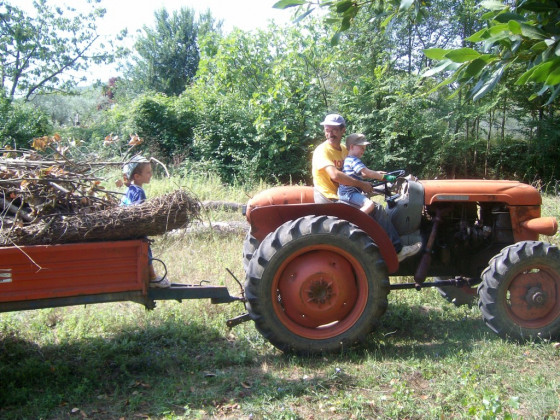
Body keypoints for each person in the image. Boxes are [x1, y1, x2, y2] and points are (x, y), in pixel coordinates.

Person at [311, 115, 421, 262]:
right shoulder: (322, 151)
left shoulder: (344, 149)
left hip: (343, 193)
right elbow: (335, 175)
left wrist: (379, 175)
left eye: (334, 130)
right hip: (330, 197)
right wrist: (362, 184)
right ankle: (396, 250)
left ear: (343, 130)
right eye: (327, 129)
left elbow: (355, 171)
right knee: (377, 209)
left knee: (375, 198)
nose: (330, 133)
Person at [121, 155, 171, 288]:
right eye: (148, 172)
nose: (151, 175)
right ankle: (153, 278)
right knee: (145, 247)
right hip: (134, 229)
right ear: (137, 176)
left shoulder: (128, 190)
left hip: (125, 229)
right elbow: (138, 213)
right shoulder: (138, 191)